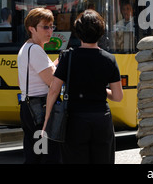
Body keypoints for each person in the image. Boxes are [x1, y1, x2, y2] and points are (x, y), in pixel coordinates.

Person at [43, 9, 123, 164]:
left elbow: (54, 90)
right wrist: (100, 90)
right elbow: (118, 97)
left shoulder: (68, 56)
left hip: (75, 121)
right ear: (101, 32)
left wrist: (47, 119)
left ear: (78, 33)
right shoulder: (110, 59)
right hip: (101, 120)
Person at [17, 7, 61, 163]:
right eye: (45, 27)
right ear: (32, 29)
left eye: (51, 26)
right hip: (40, 109)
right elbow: (52, 82)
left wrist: (57, 63)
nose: (50, 31)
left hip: (30, 107)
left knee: (35, 153)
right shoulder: (35, 50)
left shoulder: (27, 48)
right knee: (47, 155)